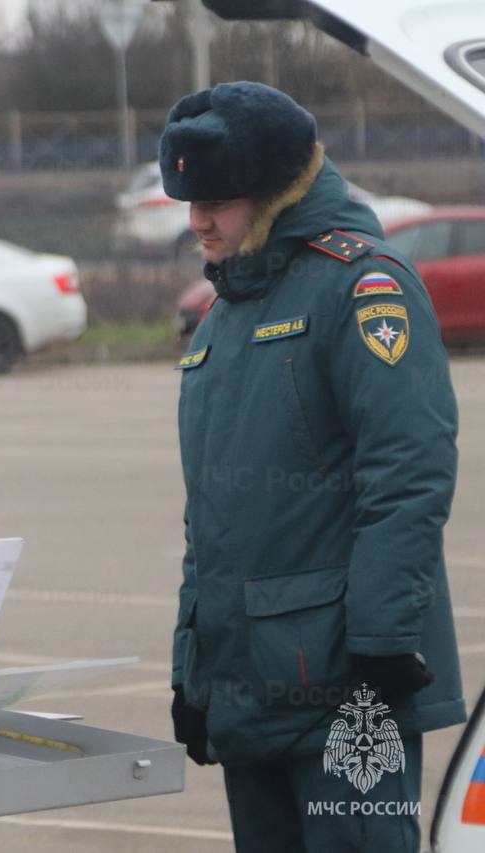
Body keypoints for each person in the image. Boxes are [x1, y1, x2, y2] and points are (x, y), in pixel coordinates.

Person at [164, 81, 465, 852]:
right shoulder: (222, 317)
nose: (197, 221)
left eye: (218, 201)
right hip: (248, 692)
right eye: (190, 201)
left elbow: (409, 470)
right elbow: (212, 520)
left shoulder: (361, 287)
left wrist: (384, 641)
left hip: (349, 687)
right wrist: (191, 671)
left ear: (273, 192)